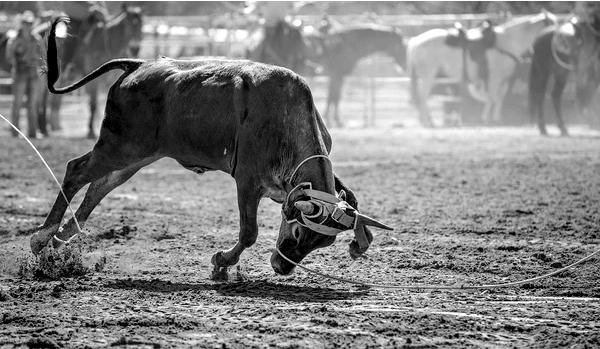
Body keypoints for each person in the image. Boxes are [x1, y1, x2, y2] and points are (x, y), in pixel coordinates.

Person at [6, 11, 44, 138]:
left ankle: (32, 132)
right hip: (20, 73)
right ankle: (14, 132)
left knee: (33, 104)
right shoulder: (15, 40)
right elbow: (9, 57)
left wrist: (35, 59)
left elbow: (42, 56)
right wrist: (21, 59)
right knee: (17, 103)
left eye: (30, 23)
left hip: (33, 74)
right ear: (22, 24)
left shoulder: (37, 39)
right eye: (26, 23)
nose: (28, 25)